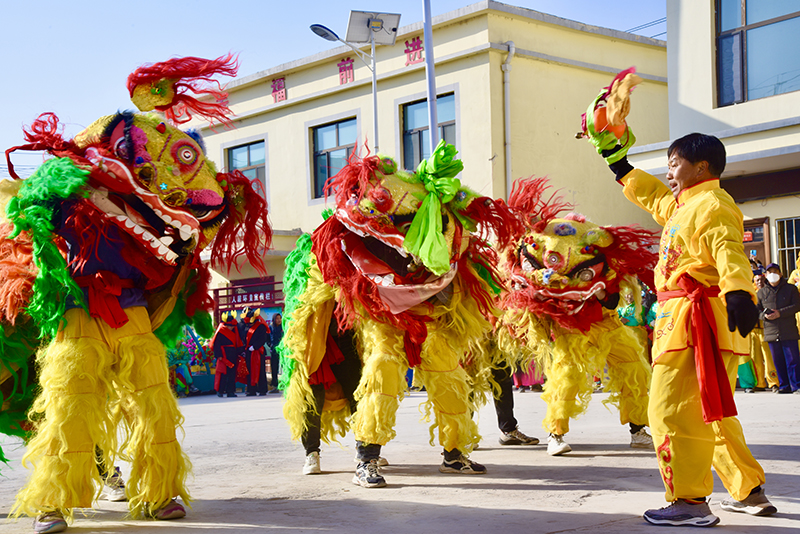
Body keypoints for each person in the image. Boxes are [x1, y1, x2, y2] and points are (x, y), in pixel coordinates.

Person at [594, 129, 777, 526]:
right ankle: (748, 490)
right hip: (692, 320)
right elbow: (656, 197)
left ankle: (689, 503)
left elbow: (730, 249)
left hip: (695, 323)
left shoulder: (712, 205)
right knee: (709, 411)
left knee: (670, 413)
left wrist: (739, 293)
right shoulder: (685, 205)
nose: (670, 172)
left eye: (674, 164)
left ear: (702, 165)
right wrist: (619, 164)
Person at [757, 263, 800, 393]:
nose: (772, 274)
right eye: (769, 272)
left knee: (793, 360)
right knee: (777, 360)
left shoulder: (790, 289)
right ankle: (784, 386)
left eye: (775, 271)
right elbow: (757, 310)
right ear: (765, 275)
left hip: (788, 331)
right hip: (771, 331)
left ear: (780, 274)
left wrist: (780, 313)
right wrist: (764, 316)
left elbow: (797, 305)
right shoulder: (761, 292)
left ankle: (796, 385)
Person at [238, 307, 271, 396]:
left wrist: (255, 346)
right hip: (249, 352)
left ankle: (262, 389)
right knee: (249, 371)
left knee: (260, 371)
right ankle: (251, 390)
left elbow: (263, 338)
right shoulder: (246, 326)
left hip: (258, 352)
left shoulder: (260, 326)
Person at [212, 311, 243, 398]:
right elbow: (216, 344)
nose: (232, 327)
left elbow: (237, 343)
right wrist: (219, 356)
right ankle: (220, 391)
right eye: (230, 326)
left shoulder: (235, 332)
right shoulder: (221, 331)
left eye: (232, 326)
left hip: (232, 355)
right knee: (223, 374)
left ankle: (231, 391)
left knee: (232, 374)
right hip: (224, 355)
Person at [269, 313, 284, 393]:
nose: (279, 320)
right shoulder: (271, 327)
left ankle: (286, 385)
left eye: (280, 318)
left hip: (283, 350)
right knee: (274, 368)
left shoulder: (283, 327)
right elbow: (267, 337)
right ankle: (275, 386)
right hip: (274, 350)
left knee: (284, 367)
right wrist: (271, 345)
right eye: (277, 318)